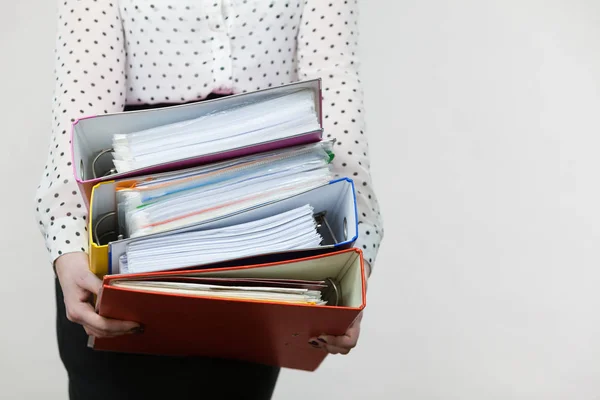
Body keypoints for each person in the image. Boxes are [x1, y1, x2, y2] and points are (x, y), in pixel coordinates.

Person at [34, 1, 384, 399]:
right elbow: (78, 109)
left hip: (254, 237)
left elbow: (339, 107)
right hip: (122, 237)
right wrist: (65, 246)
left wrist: (357, 254)